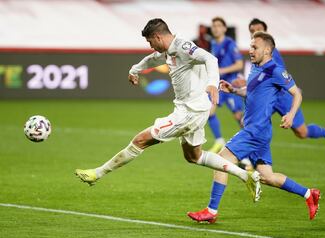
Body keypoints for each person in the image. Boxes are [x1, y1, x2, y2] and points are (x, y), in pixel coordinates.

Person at [75, 18, 261, 203]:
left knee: (140, 140)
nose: (150, 46)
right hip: (194, 110)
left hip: (189, 112)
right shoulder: (169, 50)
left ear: (157, 36)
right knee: (194, 156)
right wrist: (135, 69)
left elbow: (210, 58)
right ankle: (246, 176)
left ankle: (97, 173)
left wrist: (212, 83)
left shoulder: (183, 46)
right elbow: (154, 59)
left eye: (150, 42)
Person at [188, 31, 320, 223]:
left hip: (255, 131)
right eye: (250, 46)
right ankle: (309, 194)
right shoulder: (255, 68)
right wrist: (234, 90)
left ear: (267, 50)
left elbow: (297, 94)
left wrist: (290, 115)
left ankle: (211, 211)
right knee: (267, 177)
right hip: (259, 130)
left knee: (221, 160)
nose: (250, 50)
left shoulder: (275, 69)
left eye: (254, 47)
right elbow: (252, 92)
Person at [248, 18, 325, 150]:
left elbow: (280, 76)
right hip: (268, 98)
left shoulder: (271, 54)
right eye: (252, 31)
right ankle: (252, 161)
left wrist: (292, 89)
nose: (255, 32)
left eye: (258, 29)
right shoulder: (255, 54)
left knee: (301, 133)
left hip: (282, 97)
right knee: (250, 123)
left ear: (266, 32)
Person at [207, 17, 245, 153]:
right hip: (218, 85)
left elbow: (239, 64)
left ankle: (251, 145)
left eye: (218, 25)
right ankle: (219, 140)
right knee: (208, 111)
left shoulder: (230, 43)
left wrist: (222, 70)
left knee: (239, 117)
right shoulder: (212, 43)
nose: (216, 28)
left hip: (230, 85)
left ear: (224, 28)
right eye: (214, 26)